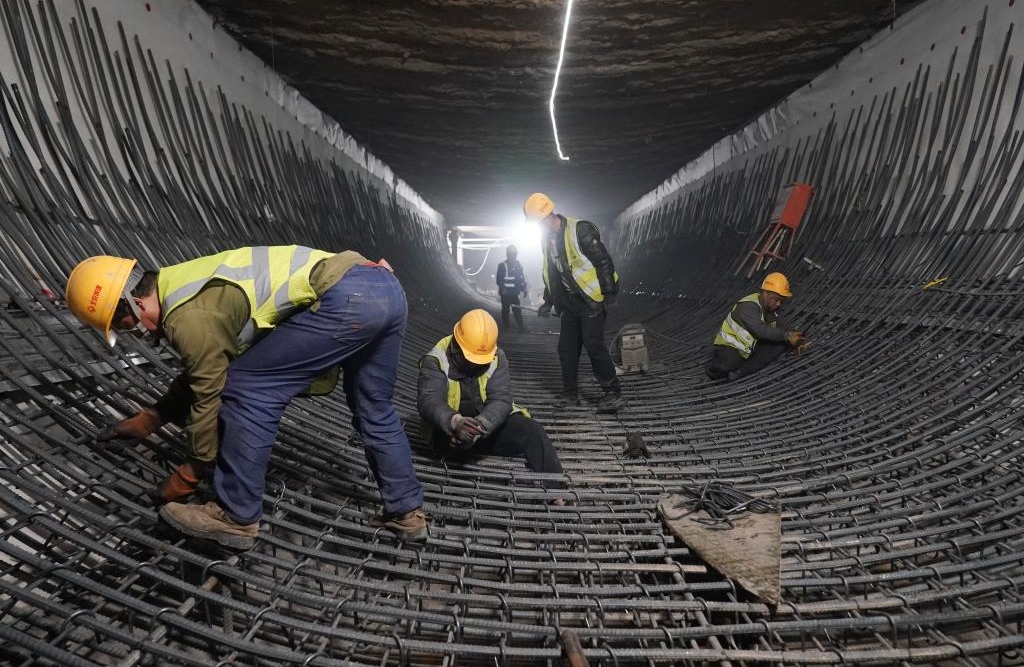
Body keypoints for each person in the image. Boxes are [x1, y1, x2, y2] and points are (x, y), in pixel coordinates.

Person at [65, 246, 427, 547]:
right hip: (384, 289)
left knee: (248, 390)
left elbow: (211, 390)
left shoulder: (188, 316)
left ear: (135, 304)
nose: (133, 334)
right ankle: (407, 513)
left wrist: (191, 471)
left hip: (348, 298)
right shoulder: (183, 284)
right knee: (374, 407)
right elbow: (205, 368)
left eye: (123, 326)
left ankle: (235, 515)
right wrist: (152, 418)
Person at [417, 310, 564, 496]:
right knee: (452, 443)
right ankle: (456, 481)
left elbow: (501, 399)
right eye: (470, 360)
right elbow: (429, 400)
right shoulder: (436, 360)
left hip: (485, 429)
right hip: (448, 433)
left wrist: (481, 425)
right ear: (456, 346)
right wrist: (455, 422)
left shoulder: (495, 356)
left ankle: (558, 494)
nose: (475, 366)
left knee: (531, 430)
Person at [523, 192, 622, 413]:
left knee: (593, 344)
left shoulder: (580, 230)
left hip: (592, 300)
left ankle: (613, 393)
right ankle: (570, 396)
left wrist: (609, 295)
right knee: (566, 349)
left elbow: (603, 262)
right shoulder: (546, 239)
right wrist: (549, 301)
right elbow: (553, 272)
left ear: (549, 216)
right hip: (570, 303)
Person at [705, 272, 808, 381]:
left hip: (748, 349)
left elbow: (782, 324)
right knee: (731, 363)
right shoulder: (748, 306)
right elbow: (760, 330)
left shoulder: (769, 309)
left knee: (780, 344)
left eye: (781, 301)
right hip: (730, 347)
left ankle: (739, 373)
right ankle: (712, 369)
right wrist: (787, 335)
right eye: (776, 299)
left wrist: (799, 338)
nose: (778, 304)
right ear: (765, 293)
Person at [495, 245, 527, 332]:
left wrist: (524, 288)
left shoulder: (518, 264)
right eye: (511, 254)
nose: (513, 256)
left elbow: (521, 278)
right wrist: (503, 289)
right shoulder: (502, 265)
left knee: (517, 310)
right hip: (506, 294)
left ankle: (521, 327)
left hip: (514, 293)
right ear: (507, 255)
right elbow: (499, 280)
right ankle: (506, 327)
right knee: (505, 310)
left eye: (514, 254)